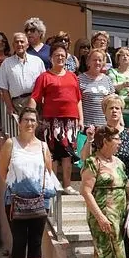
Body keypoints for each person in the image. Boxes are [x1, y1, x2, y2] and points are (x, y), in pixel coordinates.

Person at [81, 95, 129, 258]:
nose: (115, 111)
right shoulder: (100, 133)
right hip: (103, 185)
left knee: (123, 226)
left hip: (125, 183)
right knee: (108, 230)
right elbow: (85, 157)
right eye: (111, 108)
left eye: (117, 108)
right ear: (105, 111)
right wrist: (90, 140)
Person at [0, 107, 53, 258]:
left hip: (39, 202)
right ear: (19, 122)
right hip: (15, 201)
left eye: (33, 120)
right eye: (26, 120)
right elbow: (2, 172)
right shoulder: (10, 144)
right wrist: (19, 187)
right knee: (19, 242)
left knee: (36, 243)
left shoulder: (43, 147)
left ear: (37, 123)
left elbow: (48, 172)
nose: (29, 123)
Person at [82, 126, 129, 258]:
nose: (120, 142)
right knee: (102, 252)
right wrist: (100, 216)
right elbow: (86, 191)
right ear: (105, 141)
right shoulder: (93, 162)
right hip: (101, 213)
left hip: (118, 214)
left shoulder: (119, 162)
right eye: (116, 139)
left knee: (114, 252)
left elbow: (124, 186)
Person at [31, 42, 82, 195]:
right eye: (56, 55)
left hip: (71, 121)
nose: (60, 58)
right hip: (51, 120)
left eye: (62, 55)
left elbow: (78, 99)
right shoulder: (44, 77)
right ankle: (52, 185)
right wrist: (29, 115)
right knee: (52, 153)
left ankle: (67, 185)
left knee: (67, 154)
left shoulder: (73, 76)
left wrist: (81, 119)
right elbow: (35, 98)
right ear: (50, 58)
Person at [0, 32, 46, 119]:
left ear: (27, 44)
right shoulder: (6, 63)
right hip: (18, 104)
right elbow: (4, 88)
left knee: (37, 127)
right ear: (13, 45)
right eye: (16, 42)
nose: (19, 44)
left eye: (22, 42)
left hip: (36, 101)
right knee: (21, 127)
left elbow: (44, 84)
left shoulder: (37, 61)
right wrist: (10, 107)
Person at [78, 48, 115, 129]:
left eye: (100, 60)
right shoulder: (80, 79)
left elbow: (113, 102)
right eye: (94, 60)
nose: (97, 62)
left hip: (105, 126)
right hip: (87, 126)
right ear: (88, 62)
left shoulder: (107, 79)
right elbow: (77, 102)